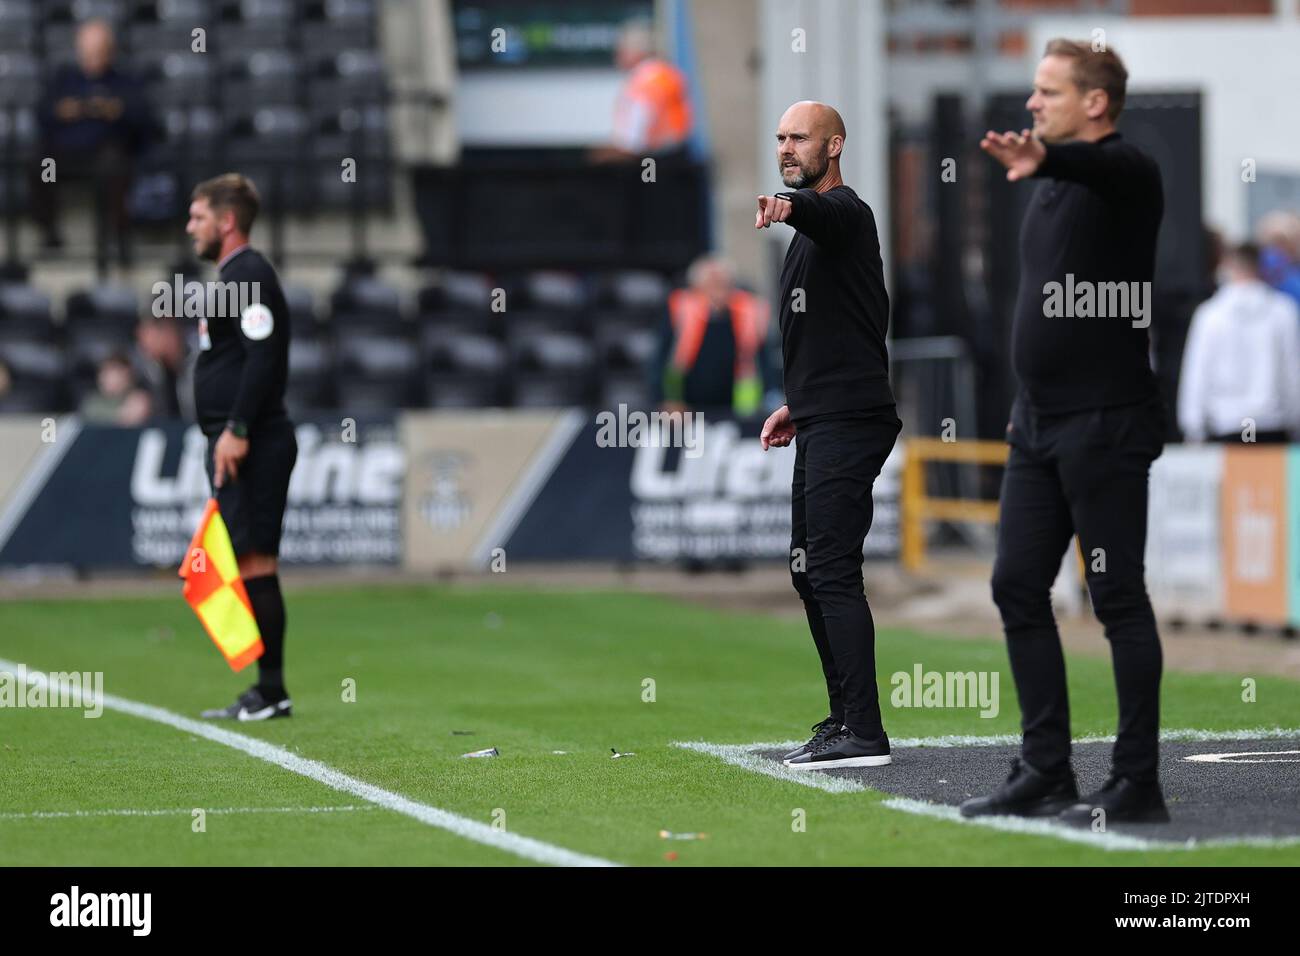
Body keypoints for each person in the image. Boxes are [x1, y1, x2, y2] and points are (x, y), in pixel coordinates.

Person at [961, 40, 1169, 825]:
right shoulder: (1042, 180)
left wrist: (1049, 158)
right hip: (1037, 423)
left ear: (1096, 103)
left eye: (1049, 91)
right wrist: (1026, 399)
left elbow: (1102, 169)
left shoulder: (1128, 174)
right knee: (1015, 582)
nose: (1032, 103)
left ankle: (1138, 779)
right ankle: (1046, 768)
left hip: (1107, 422)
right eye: (1034, 90)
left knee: (1116, 597)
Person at [756, 101, 901, 770]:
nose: (788, 147)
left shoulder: (843, 214)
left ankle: (862, 730)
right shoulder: (806, 237)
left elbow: (827, 212)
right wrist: (798, 404)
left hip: (852, 419)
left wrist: (793, 208)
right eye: (782, 137)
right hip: (823, 414)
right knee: (808, 569)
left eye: (801, 137)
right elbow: (832, 331)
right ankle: (845, 719)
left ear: (834, 143)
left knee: (833, 570)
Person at [186, 174, 298, 722]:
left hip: (253, 440)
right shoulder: (234, 276)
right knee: (251, 562)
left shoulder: (248, 273)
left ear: (226, 220)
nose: (191, 228)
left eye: (198, 216)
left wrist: (237, 428)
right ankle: (267, 689)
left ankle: (272, 690)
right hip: (239, 438)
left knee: (256, 563)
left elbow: (264, 357)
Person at [33, 19, 155, 272]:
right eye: (87, 53)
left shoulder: (124, 81)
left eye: (98, 53)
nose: (92, 59)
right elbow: (42, 112)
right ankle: (50, 233)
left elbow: (145, 121)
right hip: (65, 155)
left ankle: (118, 241)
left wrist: (116, 110)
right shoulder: (64, 79)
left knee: (114, 166)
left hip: (106, 153)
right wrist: (62, 111)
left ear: (110, 51)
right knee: (40, 164)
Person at [1177, 242, 1300, 444]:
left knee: (1239, 476)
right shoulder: (1282, 311)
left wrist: (1193, 426)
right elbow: (1292, 372)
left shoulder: (1210, 314)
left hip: (1228, 424)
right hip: (1270, 424)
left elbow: (1198, 371)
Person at [652, 255, 768, 416]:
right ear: (697, 287)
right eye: (711, 284)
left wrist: (769, 397)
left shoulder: (749, 311)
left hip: (738, 408)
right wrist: (664, 399)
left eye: (723, 283)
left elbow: (762, 358)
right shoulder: (681, 310)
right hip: (687, 406)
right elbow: (660, 358)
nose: (718, 290)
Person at [590, 19, 692, 163]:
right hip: (672, 153)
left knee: (648, 181)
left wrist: (612, 154)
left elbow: (636, 134)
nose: (618, 56)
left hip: (652, 158)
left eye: (622, 50)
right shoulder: (666, 73)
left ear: (636, 51)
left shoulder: (645, 80)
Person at [79, 351, 152, 426]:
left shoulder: (138, 398)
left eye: (113, 372)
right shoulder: (93, 401)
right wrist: (121, 416)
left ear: (127, 374)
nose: (105, 378)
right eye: (103, 372)